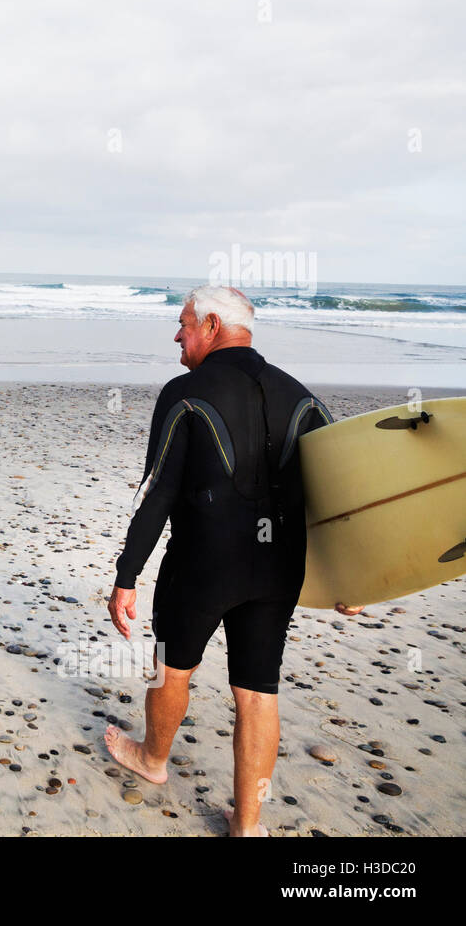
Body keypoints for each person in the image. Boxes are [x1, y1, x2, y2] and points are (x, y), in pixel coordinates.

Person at [104, 285, 361, 836]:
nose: (177, 334)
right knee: (258, 689)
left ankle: (152, 761)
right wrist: (354, 577)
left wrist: (127, 575)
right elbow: (339, 498)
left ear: (212, 326)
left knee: (173, 664)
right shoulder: (302, 396)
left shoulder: (184, 393)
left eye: (183, 324)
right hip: (277, 570)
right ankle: (247, 826)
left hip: (202, 564)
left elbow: (157, 493)